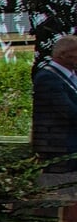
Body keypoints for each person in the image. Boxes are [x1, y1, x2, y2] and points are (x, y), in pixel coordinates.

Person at [32, 34, 77, 173]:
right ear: (63, 54)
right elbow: (68, 112)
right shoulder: (47, 78)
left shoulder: (71, 76)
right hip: (62, 151)